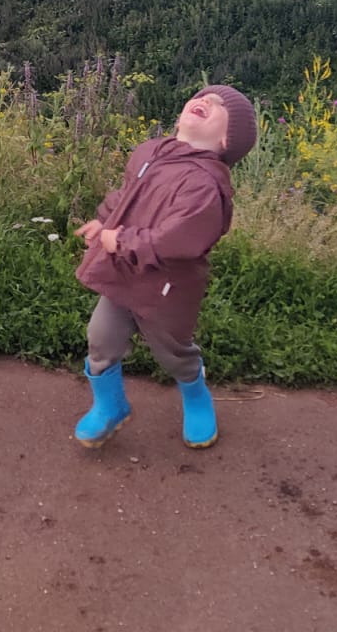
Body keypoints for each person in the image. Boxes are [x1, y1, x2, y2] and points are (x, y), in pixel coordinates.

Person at [70, 85, 259, 450]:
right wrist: (104, 220)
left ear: (226, 140)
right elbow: (126, 195)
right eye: (202, 95)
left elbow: (178, 240)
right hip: (125, 273)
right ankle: (110, 405)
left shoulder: (205, 186)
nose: (204, 100)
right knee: (101, 338)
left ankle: (195, 393)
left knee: (173, 353)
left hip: (168, 289)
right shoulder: (150, 152)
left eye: (218, 105)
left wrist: (121, 241)